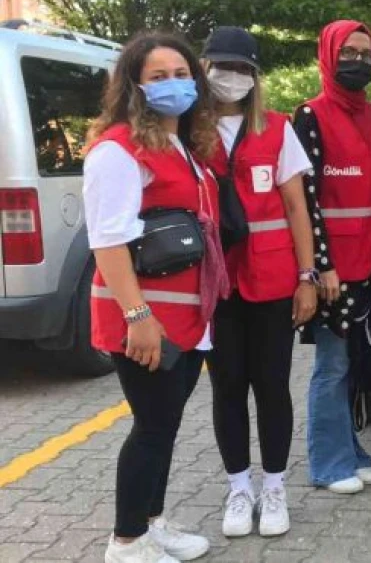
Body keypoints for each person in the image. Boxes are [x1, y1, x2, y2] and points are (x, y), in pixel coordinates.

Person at [84, 32, 223, 563]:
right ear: (135, 87)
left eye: (182, 74)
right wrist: (138, 317)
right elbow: (108, 241)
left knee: (164, 426)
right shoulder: (118, 150)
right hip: (148, 319)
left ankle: (150, 521)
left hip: (186, 317)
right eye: (159, 77)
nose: (174, 85)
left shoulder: (181, 146)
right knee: (152, 427)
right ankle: (125, 542)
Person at [200, 26, 317, 537]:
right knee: (227, 388)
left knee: (271, 387)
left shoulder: (277, 129)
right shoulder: (186, 131)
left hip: (272, 281)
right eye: (223, 68)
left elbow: (297, 207)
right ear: (205, 71)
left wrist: (308, 275)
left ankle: (273, 488)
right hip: (215, 284)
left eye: (242, 69)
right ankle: (238, 488)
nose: (232, 78)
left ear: (254, 77)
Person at [291, 20, 371, 494]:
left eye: (366, 52)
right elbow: (305, 198)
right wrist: (320, 267)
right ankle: (328, 463)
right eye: (349, 51)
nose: (359, 60)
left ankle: (351, 451)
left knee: (353, 364)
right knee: (331, 367)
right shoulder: (310, 116)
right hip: (334, 271)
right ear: (329, 55)